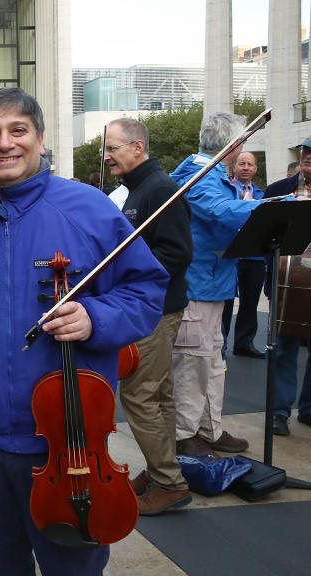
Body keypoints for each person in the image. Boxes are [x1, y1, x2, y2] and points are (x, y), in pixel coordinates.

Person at [0, 88, 168, 575]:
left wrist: (96, 317)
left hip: (68, 446)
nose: (4, 143)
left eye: (18, 130)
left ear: (39, 140)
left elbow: (146, 292)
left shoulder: (90, 209)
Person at [103, 118, 193, 515]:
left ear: (138, 148)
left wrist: (130, 273)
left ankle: (170, 482)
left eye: (113, 148)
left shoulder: (159, 190)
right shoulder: (139, 190)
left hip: (155, 310)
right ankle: (162, 472)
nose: (106, 156)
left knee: (140, 396)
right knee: (160, 395)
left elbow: (176, 253)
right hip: (152, 307)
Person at [169, 113, 270, 456]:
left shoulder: (211, 174)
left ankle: (209, 428)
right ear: (233, 143)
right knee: (193, 364)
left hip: (214, 285)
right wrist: (281, 206)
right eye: (243, 141)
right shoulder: (198, 175)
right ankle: (184, 436)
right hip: (197, 287)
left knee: (212, 362)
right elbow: (224, 212)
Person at [263, 141, 311, 435]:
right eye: (306, 152)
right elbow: (263, 238)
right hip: (286, 281)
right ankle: (279, 412)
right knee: (283, 349)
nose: (307, 157)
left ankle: (308, 410)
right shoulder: (279, 189)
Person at [221, 151, 265, 359]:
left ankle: (244, 343)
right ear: (235, 168)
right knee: (227, 301)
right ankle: (220, 345)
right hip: (232, 254)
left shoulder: (261, 195)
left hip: (255, 256)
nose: (246, 167)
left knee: (250, 302)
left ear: (256, 169)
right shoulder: (226, 191)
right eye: (242, 163)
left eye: (250, 164)